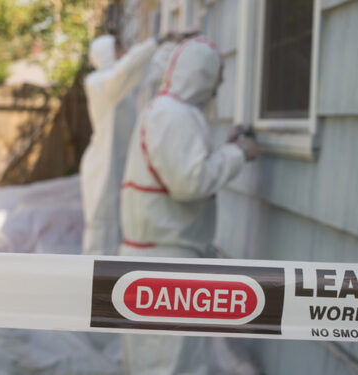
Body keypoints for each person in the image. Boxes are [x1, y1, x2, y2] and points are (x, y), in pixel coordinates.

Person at [118, 37, 259, 374]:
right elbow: (189, 182)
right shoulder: (175, 115)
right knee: (171, 364)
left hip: (155, 260)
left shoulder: (166, 110)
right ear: (202, 75)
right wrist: (239, 153)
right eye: (217, 77)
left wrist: (221, 150)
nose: (219, 86)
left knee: (151, 361)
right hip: (166, 267)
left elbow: (180, 169)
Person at [81, 34, 159, 256]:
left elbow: (145, 73)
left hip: (117, 161)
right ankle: (91, 279)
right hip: (101, 164)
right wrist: (155, 41)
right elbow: (125, 71)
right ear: (106, 53)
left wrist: (168, 47)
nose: (124, 52)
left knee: (118, 221)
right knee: (100, 223)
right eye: (118, 49)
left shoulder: (120, 86)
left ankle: (112, 278)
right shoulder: (98, 82)